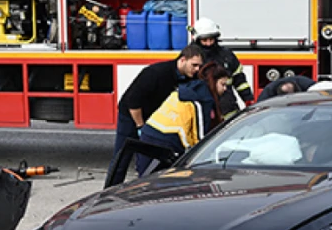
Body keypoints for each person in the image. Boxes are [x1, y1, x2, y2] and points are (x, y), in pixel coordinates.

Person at [106, 43, 204, 186]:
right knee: (122, 157)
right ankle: (109, 191)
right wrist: (140, 127)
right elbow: (133, 102)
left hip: (153, 119)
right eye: (194, 65)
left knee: (151, 160)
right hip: (132, 116)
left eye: (199, 66)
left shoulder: (189, 79)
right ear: (183, 60)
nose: (197, 70)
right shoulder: (156, 73)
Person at [136, 62, 232, 175]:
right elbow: (200, 137)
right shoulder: (204, 99)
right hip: (167, 141)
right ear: (213, 82)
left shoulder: (190, 88)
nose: (225, 89)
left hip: (149, 133)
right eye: (223, 84)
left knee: (144, 180)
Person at [190, 18, 252, 118]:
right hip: (204, 111)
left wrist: (248, 99)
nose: (209, 43)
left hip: (228, 108)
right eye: (205, 40)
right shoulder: (191, 58)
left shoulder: (226, 55)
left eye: (211, 39)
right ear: (197, 39)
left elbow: (240, 80)